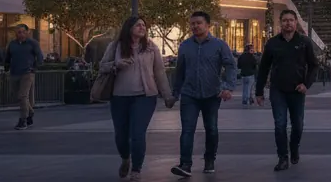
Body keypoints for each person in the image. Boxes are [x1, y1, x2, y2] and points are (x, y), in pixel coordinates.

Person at [100, 16, 175, 180]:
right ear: (129, 28)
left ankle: (136, 169)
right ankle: (125, 158)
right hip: (120, 97)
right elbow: (102, 66)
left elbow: (160, 72)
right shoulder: (116, 46)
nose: (142, 27)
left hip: (145, 97)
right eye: (138, 25)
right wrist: (116, 65)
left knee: (138, 133)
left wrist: (167, 95)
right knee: (121, 135)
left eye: (143, 25)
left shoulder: (151, 47)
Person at [169, 10, 236, 177]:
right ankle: (185, 164)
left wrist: (228, 87)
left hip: (212, 94)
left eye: (198, 23)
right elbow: (180, 71)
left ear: (207, 25)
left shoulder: (219, 45)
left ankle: (209, 159)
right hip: (189, 94)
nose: (195, 26)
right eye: (192, 23)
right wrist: (175, 93)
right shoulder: (185, 45)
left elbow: (230, 65)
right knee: (187, 130)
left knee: (211, 129)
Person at [255, 9, 318, 172]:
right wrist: (259, 92)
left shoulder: (304, 42)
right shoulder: (272, 43)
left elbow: (313, 66)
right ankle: (283, 157)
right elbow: (263, 68)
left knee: (298, 125)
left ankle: (294, 147)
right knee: (280, 125)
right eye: (284, 20)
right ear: (280, 23)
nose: (288, 23)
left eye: (291, 20)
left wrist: (306, 84)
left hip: (297, 90)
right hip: (278, 90)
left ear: (296, 22)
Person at [5, 23, 43, 130]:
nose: (20, 34)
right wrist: (6, 67)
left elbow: (40, 57)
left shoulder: (32, 43)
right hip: (14, 72)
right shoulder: (12, 44)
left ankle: (23, 120)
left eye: (22, 32)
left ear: (27, 32)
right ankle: (30, 112)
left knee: (23, 96)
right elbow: (7, 57)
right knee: (17, 96)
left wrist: (34, 68)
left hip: (27, 72)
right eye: (18, 32)